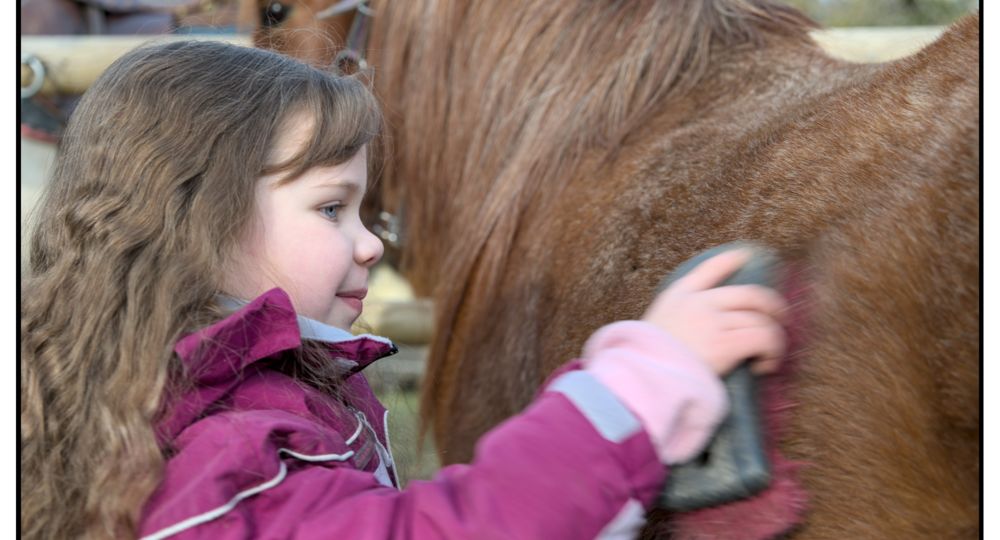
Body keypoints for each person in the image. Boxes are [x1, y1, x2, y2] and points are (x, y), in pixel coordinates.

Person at [20, 40, 788, 539]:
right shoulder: (233, 453)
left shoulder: (229, 397)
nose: (371, 244)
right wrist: (637, 394)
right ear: (200, 221)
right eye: (331, 208)